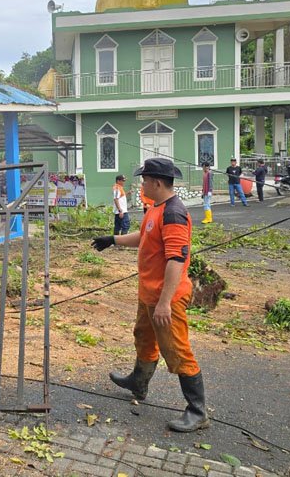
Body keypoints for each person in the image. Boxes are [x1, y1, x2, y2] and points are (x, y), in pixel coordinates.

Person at [91, 158, 209, 432]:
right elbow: (144, 236)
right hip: (149, 293)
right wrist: (113, 240)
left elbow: (176, 260)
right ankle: (138, 382)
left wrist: (165, 302)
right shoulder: (157, 208)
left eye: (144, 181)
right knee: (143, 337)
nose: (141, 185)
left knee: (177, 350)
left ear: (156, 183)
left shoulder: (174, 214)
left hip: (166, 298)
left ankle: (197, 411)